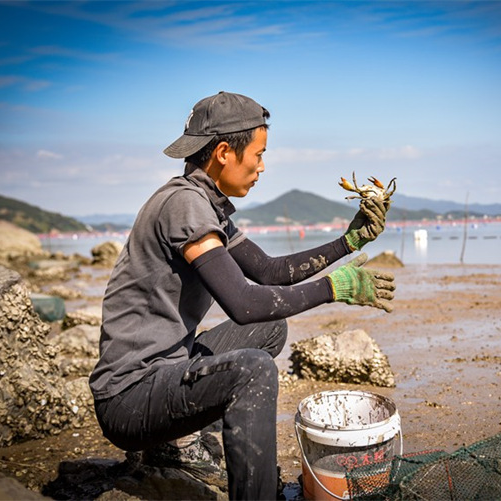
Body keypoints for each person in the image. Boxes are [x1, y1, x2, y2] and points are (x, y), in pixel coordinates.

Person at [89, 91, 395, 500]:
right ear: (222, 152)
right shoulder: (184, 206)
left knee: (270, 329)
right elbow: (244, 303)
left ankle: (173, 446)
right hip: (129, 397)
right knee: (253, 371)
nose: (262, 167)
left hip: (163, 374)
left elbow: (269, 272)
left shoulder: (206, 206)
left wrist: (349, 241)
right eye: (259, 154)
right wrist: (331, 289)